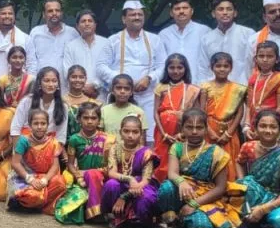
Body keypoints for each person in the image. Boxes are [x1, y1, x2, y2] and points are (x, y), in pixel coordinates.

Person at [157, 108, 242, 228]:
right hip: (183, 193)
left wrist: (194, 204)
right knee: (167, 188)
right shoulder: (177, 147)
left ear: (206, 128)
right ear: (182, 128)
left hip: (207, 199)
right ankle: (176, 226)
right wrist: (182, 182)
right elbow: (172, 173)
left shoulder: (217, 153)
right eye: (189, 127)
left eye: (199, 127)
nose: (194, 131)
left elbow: (221, 188)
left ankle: (196, 227)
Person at [97, 0, 166, 143]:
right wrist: (122, 81)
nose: (137, 17)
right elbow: (101, 66)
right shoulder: (113, 40)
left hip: (148, 96)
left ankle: (145, 163)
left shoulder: (155, 40)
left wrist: (149, 78)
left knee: (148, 137)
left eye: (140, 14)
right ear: (123, 19)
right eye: (132, 14)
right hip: (121, 97)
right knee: (119, 136)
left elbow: (163, 66)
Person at [234, 110, 280, 228]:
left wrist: (265, 208)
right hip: (254, 193)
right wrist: (241, 181)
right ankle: (253, 226)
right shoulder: (248, 147)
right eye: (263, 126)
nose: (268, 130)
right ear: (255, 128)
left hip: (277, 198)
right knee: (244, 184)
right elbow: (239, 162)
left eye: (273, 127)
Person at [56, 102, 112, 224]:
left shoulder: (108, 139)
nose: (90, 121)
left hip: (102, 175)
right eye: (86, 118)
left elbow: (111, 165)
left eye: (93, 118)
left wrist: (89, 172)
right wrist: (78, 176)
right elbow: (70, 164)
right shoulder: (74, 139)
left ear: (99, 120)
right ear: (78, 119)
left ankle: (96, 212)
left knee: (94, 175)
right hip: (81, 177)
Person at [101, 116, 159, 228]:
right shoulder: (115, 148)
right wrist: (130, 179)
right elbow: (112, 173)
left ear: (141, 133)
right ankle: (116, 216)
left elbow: (146, 180)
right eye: (126, 131)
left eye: (135, 132)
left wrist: (125, 196)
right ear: (120, 132)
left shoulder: (147, 153)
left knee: (146, 197)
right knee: (111, 184)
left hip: (141, 186)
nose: (130, 135)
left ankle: (141, 220)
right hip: (123, 182)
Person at [6, 109, 67, 215]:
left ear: (48, 125)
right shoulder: (23, 140)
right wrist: (30, 179)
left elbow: (55, 166)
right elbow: (15, 163)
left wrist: (45, 180)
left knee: (60, 183)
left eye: (43, 123)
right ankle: (34, 202)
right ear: (30, 125)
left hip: (46, 177)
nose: (39, 127)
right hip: (26, 177)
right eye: (36, 123)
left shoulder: (53, 142)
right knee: (32, 196)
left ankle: (42, 206)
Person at [152, 54, 200, 182]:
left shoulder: (192, 89)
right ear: (166, 69)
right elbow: (156, 113)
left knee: (180, 158)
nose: (176, 71)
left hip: (182, 133)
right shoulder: (160, 87)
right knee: (161, 160)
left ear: (186, 69)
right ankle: (159, 188)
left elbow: (194, 114)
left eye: (180, 67)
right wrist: (164, 134)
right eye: (172, 68)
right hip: (162, 133)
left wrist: (183, 134)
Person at [200, 52, 246, 181]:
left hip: (230, 131)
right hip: (209, 129)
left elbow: (240, 112)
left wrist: (229, 133)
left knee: (230, 160)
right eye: (218, 66)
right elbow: (201, 111)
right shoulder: (205, 86)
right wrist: (210, 131)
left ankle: (231, 192)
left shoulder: (238, 89)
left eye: (226, 66)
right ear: (212, 67)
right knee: (209, 159)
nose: (222, 69)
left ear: (231, 68)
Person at [198, 0, 255, 84]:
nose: (225, 12)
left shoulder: (248, 34)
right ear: (213, 13)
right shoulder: (207, 38)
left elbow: (254, 64)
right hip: (214, 92)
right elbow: (203, 68)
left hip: (243, 87)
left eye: (229, 9)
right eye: (220, 9)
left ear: (235, 13)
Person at [243, 41, 280, 140]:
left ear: (277, 59)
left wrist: (266, 125)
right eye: (261, 56)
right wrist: (246, 126)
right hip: (252, 126)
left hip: (270, 127)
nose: (265, 59)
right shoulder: (253, 78)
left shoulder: (279, 79)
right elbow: (249, 105)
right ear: (256, 59)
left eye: (269, 56)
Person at [159, 0, 211, 84]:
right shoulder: (164, 34)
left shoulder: (204, 31)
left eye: (185, 8)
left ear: (192, 11)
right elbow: (160, 63)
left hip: (200, 84)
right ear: (171, 13)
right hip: (172, 87)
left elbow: (211, 60)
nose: (181, 11)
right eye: (177, 9)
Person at [10, 67, 69, 144]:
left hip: (49, 148)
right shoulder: (27, 101)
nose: (51, 84)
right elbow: (15, 129)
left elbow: (61, 137)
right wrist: (20, 150)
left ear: (58, 84)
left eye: (54, 81)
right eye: (46, 81)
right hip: (26, 145)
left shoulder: (63, 106)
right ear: (39, 83)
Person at [25, 0, 79, 81]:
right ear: (44, 14)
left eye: (57, 10)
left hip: (66, 85)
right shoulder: (35, 33)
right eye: (50, 11)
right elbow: (30, 61)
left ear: (61, 13)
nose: (54, 13)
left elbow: (77, 60)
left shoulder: (72, 33)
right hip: (41, 85)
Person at [63, 10, 109, 101]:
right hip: (78, 94)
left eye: (90, 21)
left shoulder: (106, 44)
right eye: (83, 21)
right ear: (77, 26)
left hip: (100, 94)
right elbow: (67, 71)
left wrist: (95, 85)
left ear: (95, 24)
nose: (87, 24)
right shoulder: (70, 46)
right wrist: (83, 87)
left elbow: (110, 69)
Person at [100, 74, 146, 142]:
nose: (122, 91)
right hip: (109, 150)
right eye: (118, 88)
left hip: (132, 151)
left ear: (131, 92)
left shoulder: (139, 112)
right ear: (112, 90)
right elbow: (100, 137)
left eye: (126, 88)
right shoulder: (103, 111)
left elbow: (142, 139)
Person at [63, 65, 101, 137]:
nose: (78, 80)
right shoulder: (61, 101)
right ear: (68, 78)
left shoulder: (93, 103)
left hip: (89, 144)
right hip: (64, 142)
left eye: (81, 77)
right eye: (74, 77)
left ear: (85, 79)